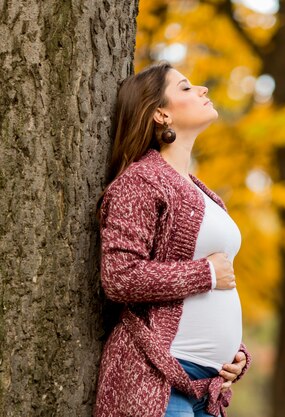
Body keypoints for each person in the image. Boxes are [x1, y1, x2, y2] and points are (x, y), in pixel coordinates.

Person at [94, 62, 250, 417]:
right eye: (185, 87)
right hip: (155, 379)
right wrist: (205, 275)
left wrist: (235, 353)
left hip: (207, 389)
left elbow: (215, 288)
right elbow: (119, 276)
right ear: (161, 113)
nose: (202, 90)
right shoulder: (141, 181)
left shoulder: (204, 193)